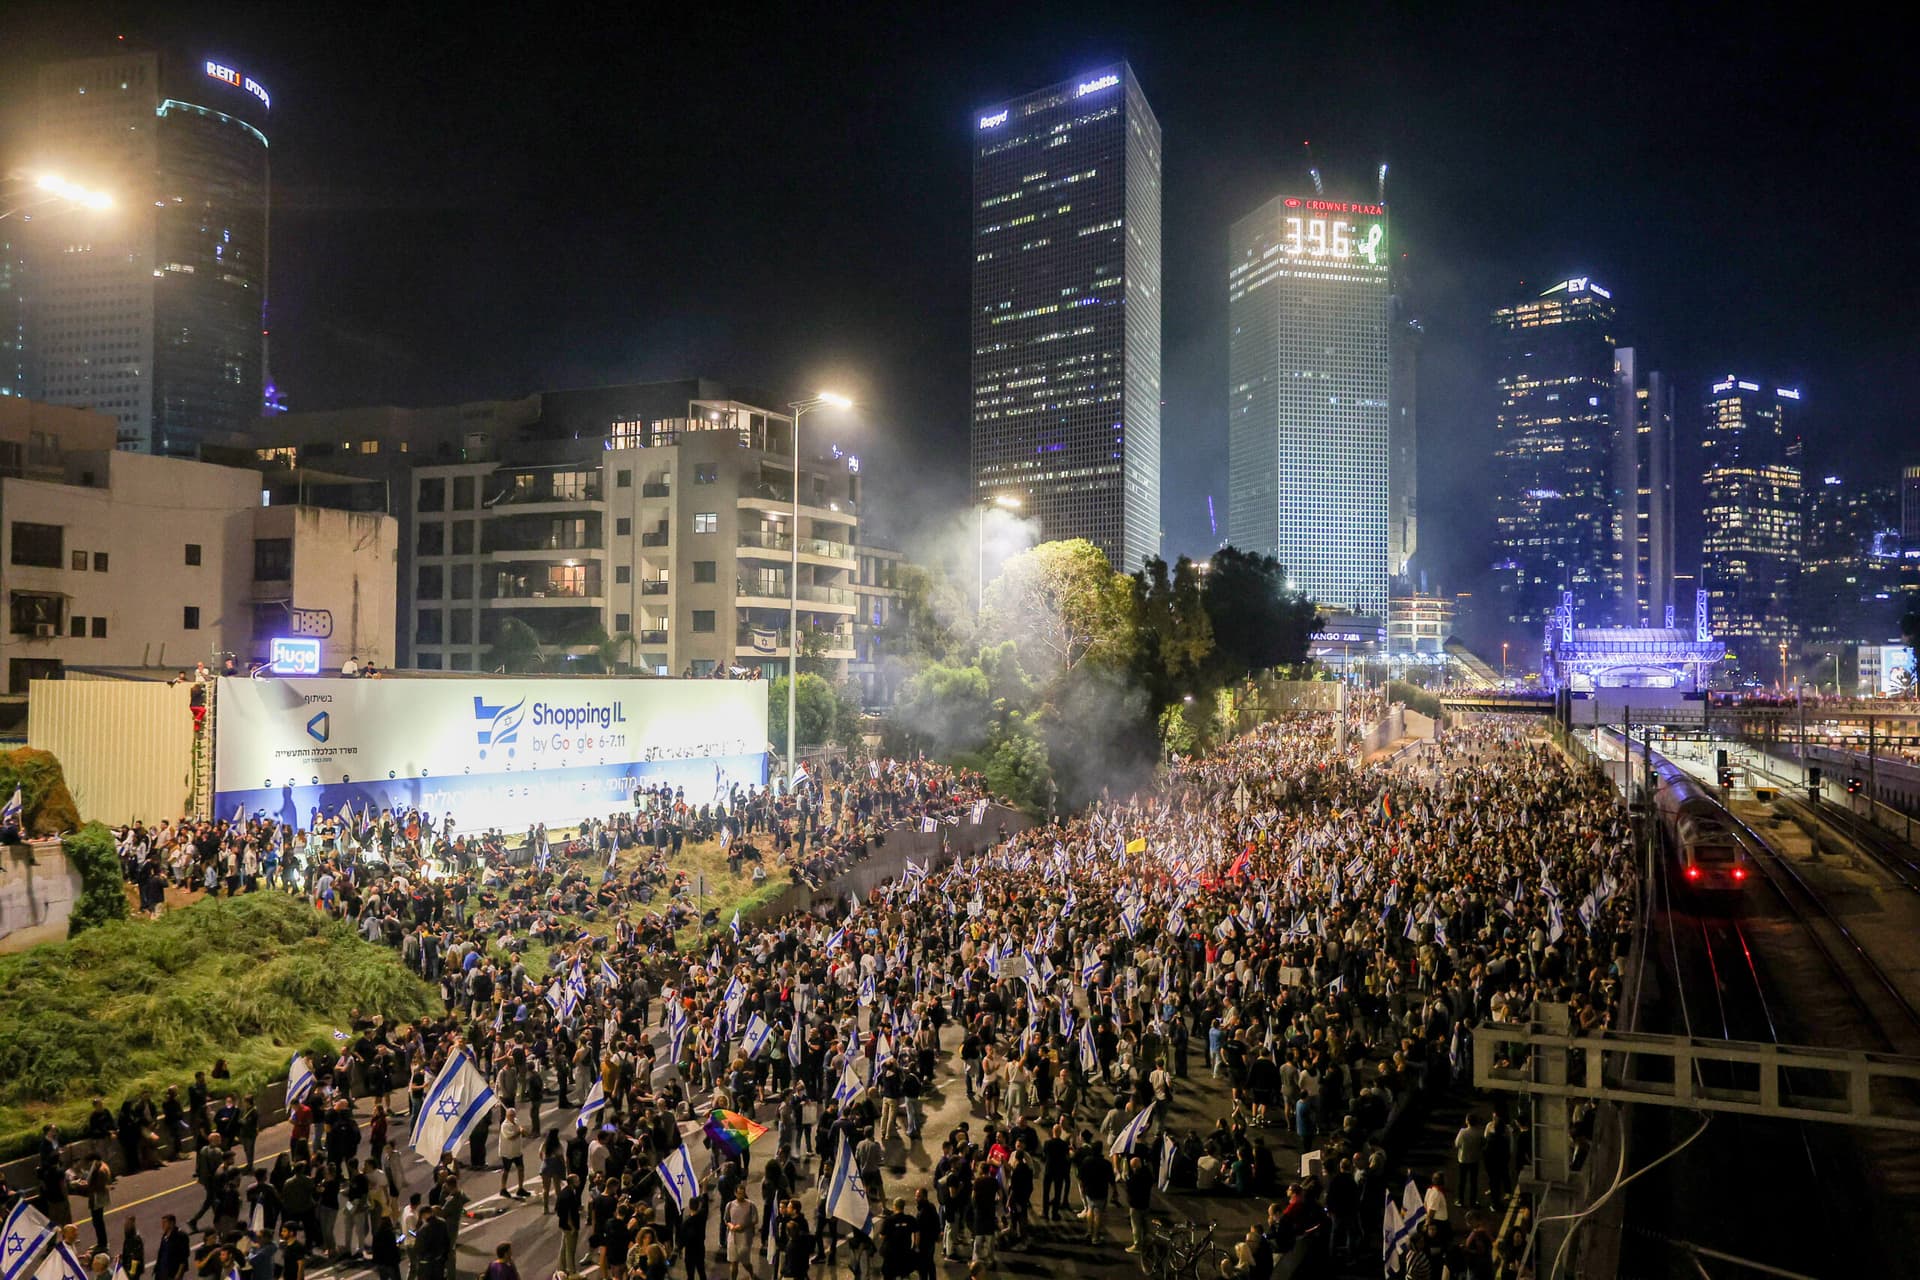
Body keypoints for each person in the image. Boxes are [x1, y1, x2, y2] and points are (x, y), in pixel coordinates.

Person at [725, 1185, 760, 1280]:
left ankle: (751, 1274)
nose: (741, 1195)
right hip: (732, 1237)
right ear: (735, 1193)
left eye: (742, 1193)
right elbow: (726, 1219)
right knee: (733, 1262)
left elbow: (755, 1220)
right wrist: (730, 1225)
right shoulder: (730, 1205)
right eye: (739, 1193)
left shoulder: (750, 1205)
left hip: (745, 1238)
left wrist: (743, 1226)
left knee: (745, 1262)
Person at [1123, 1154, 1154, 1255]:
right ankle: (1148, 1240)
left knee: (1136, 1226)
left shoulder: (1133, 1179)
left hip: (1136, 1205)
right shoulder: (1148, 1175)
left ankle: (1137, 1245)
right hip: (1146, 1203)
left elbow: (1129, 1190)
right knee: (1146, 1224)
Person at [878, 1200, 916, 1280]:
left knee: (889, 1276)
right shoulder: (910, 1219)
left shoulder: (888, 1220)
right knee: (904, 1274)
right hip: (904, 1252)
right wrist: (915, 1245)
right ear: (903, 1207)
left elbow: (882, 1236)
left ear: (894, 1206)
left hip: (891, 1254)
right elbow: (917, 1232)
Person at [153, 1216, 190, 1280]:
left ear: (171, 1223)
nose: (162, 1225)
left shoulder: (181, 1236)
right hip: (162, 1271)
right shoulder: (165, 1235)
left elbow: (184, 1257)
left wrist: (179, 1274)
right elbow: (161, 1253)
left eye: (165, 1222)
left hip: (172, 1272)